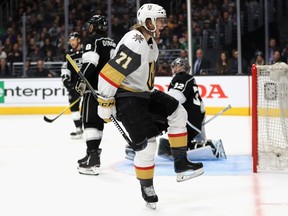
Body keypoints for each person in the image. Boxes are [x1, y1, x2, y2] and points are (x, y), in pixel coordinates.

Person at [96, 3, 204, 209]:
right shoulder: (135, 41)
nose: (164, 25)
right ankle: (147, 186)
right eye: (160, 21)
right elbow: (110, 73)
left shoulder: (150, 42)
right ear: (148, 21)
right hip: (127, 97)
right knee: (148, 145)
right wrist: (105, 101)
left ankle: (181, 164)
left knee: (178, 112)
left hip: (144, 95)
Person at [125, 58, 227, 162]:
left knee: (156, 119)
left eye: (177, 65)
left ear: (184, 67)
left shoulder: (182, 77)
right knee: (164, 121)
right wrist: (200, 134)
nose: (174, 67)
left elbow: (175, 98)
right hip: (193, 123)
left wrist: (154, 101)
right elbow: (201, 109)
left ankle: (140, 146)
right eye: (173, 65)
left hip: (185, 120)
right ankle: (189, 145)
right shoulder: (190, 79)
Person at [75, 15, 116, 175]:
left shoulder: (93, 40)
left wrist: (81, 78)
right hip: (107, 89)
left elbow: (91, 61)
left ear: (93, 26)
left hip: (92, 88)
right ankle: (92, 152)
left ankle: (93, 159)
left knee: (89, 122)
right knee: (98, 122)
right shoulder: (111, 42)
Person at [60, 32, 83, 139]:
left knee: (87, 106)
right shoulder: (68, 55)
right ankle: (78, 129)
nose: (72, 42)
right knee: (74, 106)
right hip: (75, 85)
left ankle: (88, 127)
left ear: (78, 40)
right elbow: (65, 68)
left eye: (74, 40)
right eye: (70, 41)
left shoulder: (87, 51)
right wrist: (65, 79)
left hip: (88, 84)